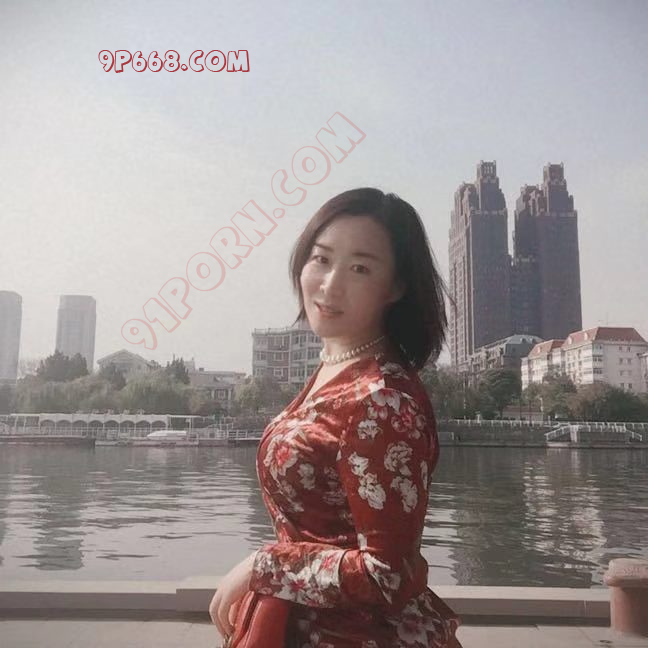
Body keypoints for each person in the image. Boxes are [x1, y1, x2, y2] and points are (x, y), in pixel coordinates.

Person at [209, 188, 462, 647]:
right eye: (321, 259)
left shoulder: (383, 399)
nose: (329, 284)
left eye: (360, 268)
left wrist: (266, 565)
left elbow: (388, 574)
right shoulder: (336, 368)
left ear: (396, 286)